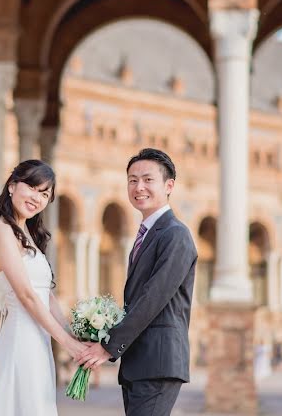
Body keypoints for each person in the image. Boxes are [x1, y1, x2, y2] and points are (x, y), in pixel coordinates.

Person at [80, 148, 198, 416]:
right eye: (132, 180)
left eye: (147, 179)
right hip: (140, 361)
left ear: (169, 186)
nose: (139, 187)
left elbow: (153, 298)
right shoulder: (148, 233)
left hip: (157, 360)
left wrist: (108, 346)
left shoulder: (175, 234)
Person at [0, 160, 89, 416]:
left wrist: (72, 333)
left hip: (38, 340)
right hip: (21, 337)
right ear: (11, 186)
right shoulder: (1, 229)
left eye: (44, 194)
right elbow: (27, 296)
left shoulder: (27, 232)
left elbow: (45, 293)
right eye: (31, 187)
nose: (37, 198)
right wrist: (66, 343)